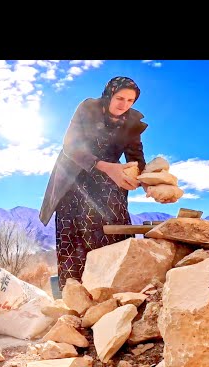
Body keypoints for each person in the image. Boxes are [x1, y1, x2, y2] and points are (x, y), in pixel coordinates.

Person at [39, 76, 148, 290]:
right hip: (75, 178)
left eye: (130, 100)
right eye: (119, 98)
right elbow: (70, 146)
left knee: (114, 229)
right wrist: (107, 167)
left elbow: (136, 157)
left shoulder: (132, 122)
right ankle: (75, 295)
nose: (123, 105)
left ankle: (114, 290)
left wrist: (147, 181)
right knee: (75, 234)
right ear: (109, 94)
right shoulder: (88, 108)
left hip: (109, 184)